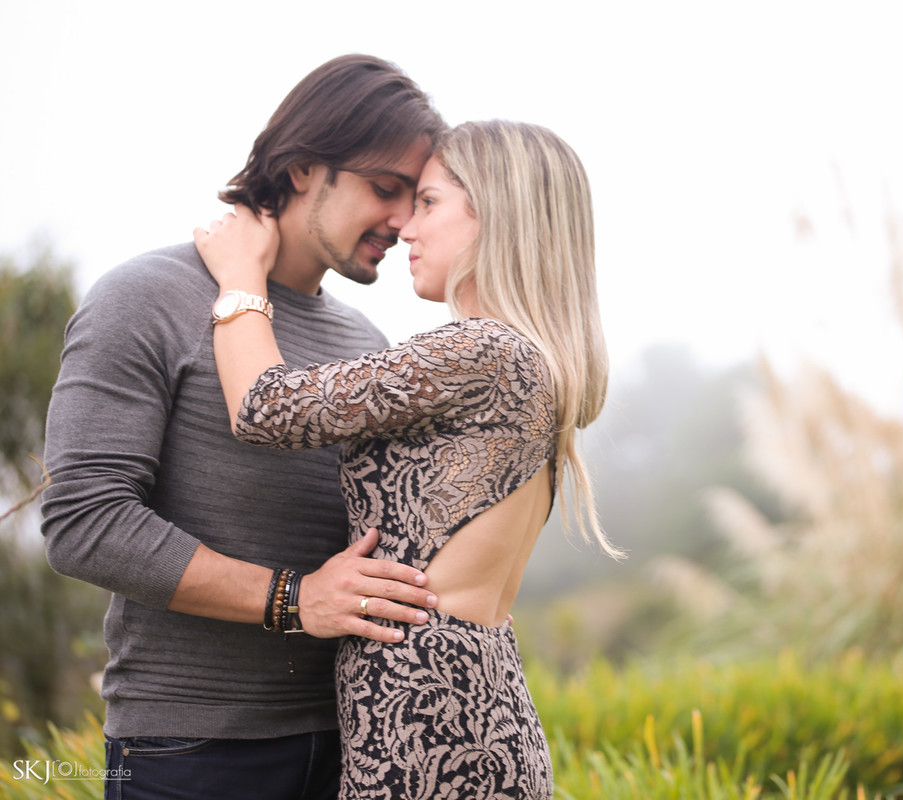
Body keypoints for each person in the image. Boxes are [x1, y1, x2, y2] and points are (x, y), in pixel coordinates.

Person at [40, 55, 446, 800]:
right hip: (193, 751)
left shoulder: (366, 341)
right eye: (384, 189)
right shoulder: (146, 298)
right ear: (300, 169)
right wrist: (295, 598)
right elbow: (84, 523)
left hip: (358, 741)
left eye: (417, 200)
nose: (403, 222)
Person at [194, 119, 622, 799]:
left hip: (425, 727)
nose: (406, 229)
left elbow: (266, 407)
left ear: (496, 212)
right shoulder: (534, 361)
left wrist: (241, 278)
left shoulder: (478, 350)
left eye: (427, 202)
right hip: (472, 707)